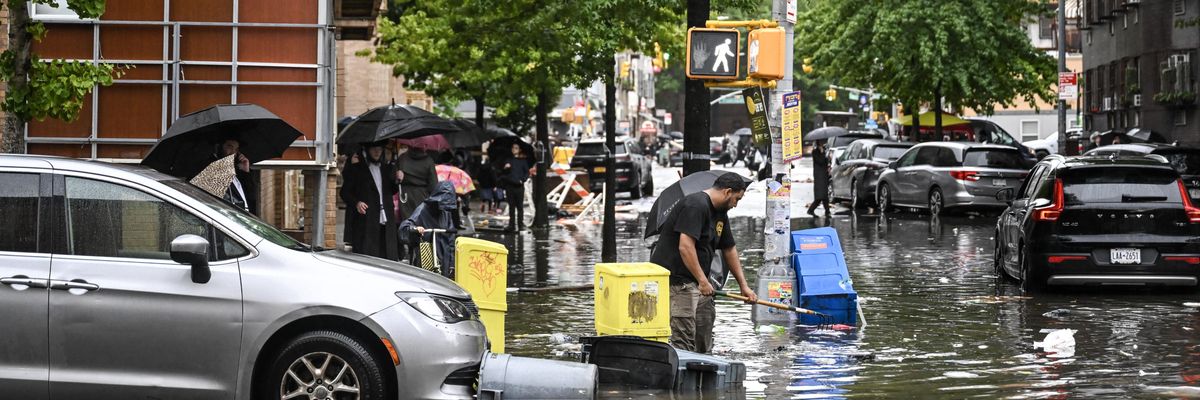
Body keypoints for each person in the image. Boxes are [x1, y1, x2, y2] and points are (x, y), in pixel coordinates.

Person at [650, 172, 756, 354]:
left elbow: (729, 249)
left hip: (700, 283)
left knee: (704, 327)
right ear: (727, 192)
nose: (736, 205)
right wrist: (702, 280)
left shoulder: (721, 213)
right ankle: (683, 370)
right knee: (684, 334)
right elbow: (685, 246)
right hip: (679, 281)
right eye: (736, 199)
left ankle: (704, 366)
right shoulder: (695, 205)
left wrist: (743, 286)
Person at [339, 142, 400, 260]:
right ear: (367, 150)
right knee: (369, 257)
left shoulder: (387, 169)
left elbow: (391, 191)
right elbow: (344, 192)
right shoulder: (357, 169)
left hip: (386, 220)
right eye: (373, 149)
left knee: (388, 258)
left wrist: (398, 179)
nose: (377, 152)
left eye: (379, 149)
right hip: (367, 222)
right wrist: (357, 203)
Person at [398, 181, 462, 277]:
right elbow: (404, 229)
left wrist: (452, 264)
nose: (444, 208)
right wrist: (415, 229)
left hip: (444, 257)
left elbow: (451, 239)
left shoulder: (446, 212)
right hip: (426, 256)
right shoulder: (422, 210)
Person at [394, 144, 439, 222]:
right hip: (423, 195)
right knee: (421, 223)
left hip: (405, 196)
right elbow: (433, 186)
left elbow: (395, 180)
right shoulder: (429, 161)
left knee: (407, 224)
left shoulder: (402, 158)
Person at [215, 139, 257, 215]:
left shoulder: (237, 170)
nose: (233, 152)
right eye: (230, 147)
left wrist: (246, 171)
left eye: (236, 149)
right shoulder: (213, 169)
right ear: (219, 147)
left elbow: (252, 196)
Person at [499, 143, 531, 232]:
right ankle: (511, 225)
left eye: (516, 148)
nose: (514, 149)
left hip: (519, 186)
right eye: (513, 148)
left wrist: (522, 180)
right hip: (509, 186)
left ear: (519, 149)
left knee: (520, 207)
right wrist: (505, 168)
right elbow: (502, 174)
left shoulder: (523, 161)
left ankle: (520, 225)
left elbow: (527, 173)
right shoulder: (507, 160)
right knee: (511, 207)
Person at [808, 140, 831, 217]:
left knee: (824, 196)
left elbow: (825, 161)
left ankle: (827, 212)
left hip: (824, 175)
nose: (822, 145)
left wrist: (827, 157)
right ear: (818, 144)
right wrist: (822, 153)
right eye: (821, 143)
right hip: (819, 176)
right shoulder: (815, 152)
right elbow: (820, 161)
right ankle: (811, 210)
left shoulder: (824, 151)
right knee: (820, 196)